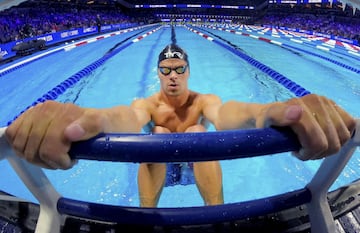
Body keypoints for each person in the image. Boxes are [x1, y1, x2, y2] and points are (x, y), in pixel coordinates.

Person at [5, 44, 356, 207]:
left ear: (188, 72)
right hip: (155, 164)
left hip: (199, 162)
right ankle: (147, 218)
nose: (173, 76)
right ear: (158, 74)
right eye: (166, 70)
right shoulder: (148, 104)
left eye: (179, 69)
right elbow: (124, 117)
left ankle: (216, 217)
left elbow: (231, 113)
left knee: (198, 132)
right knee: (156, 134)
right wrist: (89, 119)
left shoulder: (203, 100)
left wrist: (268, 111)